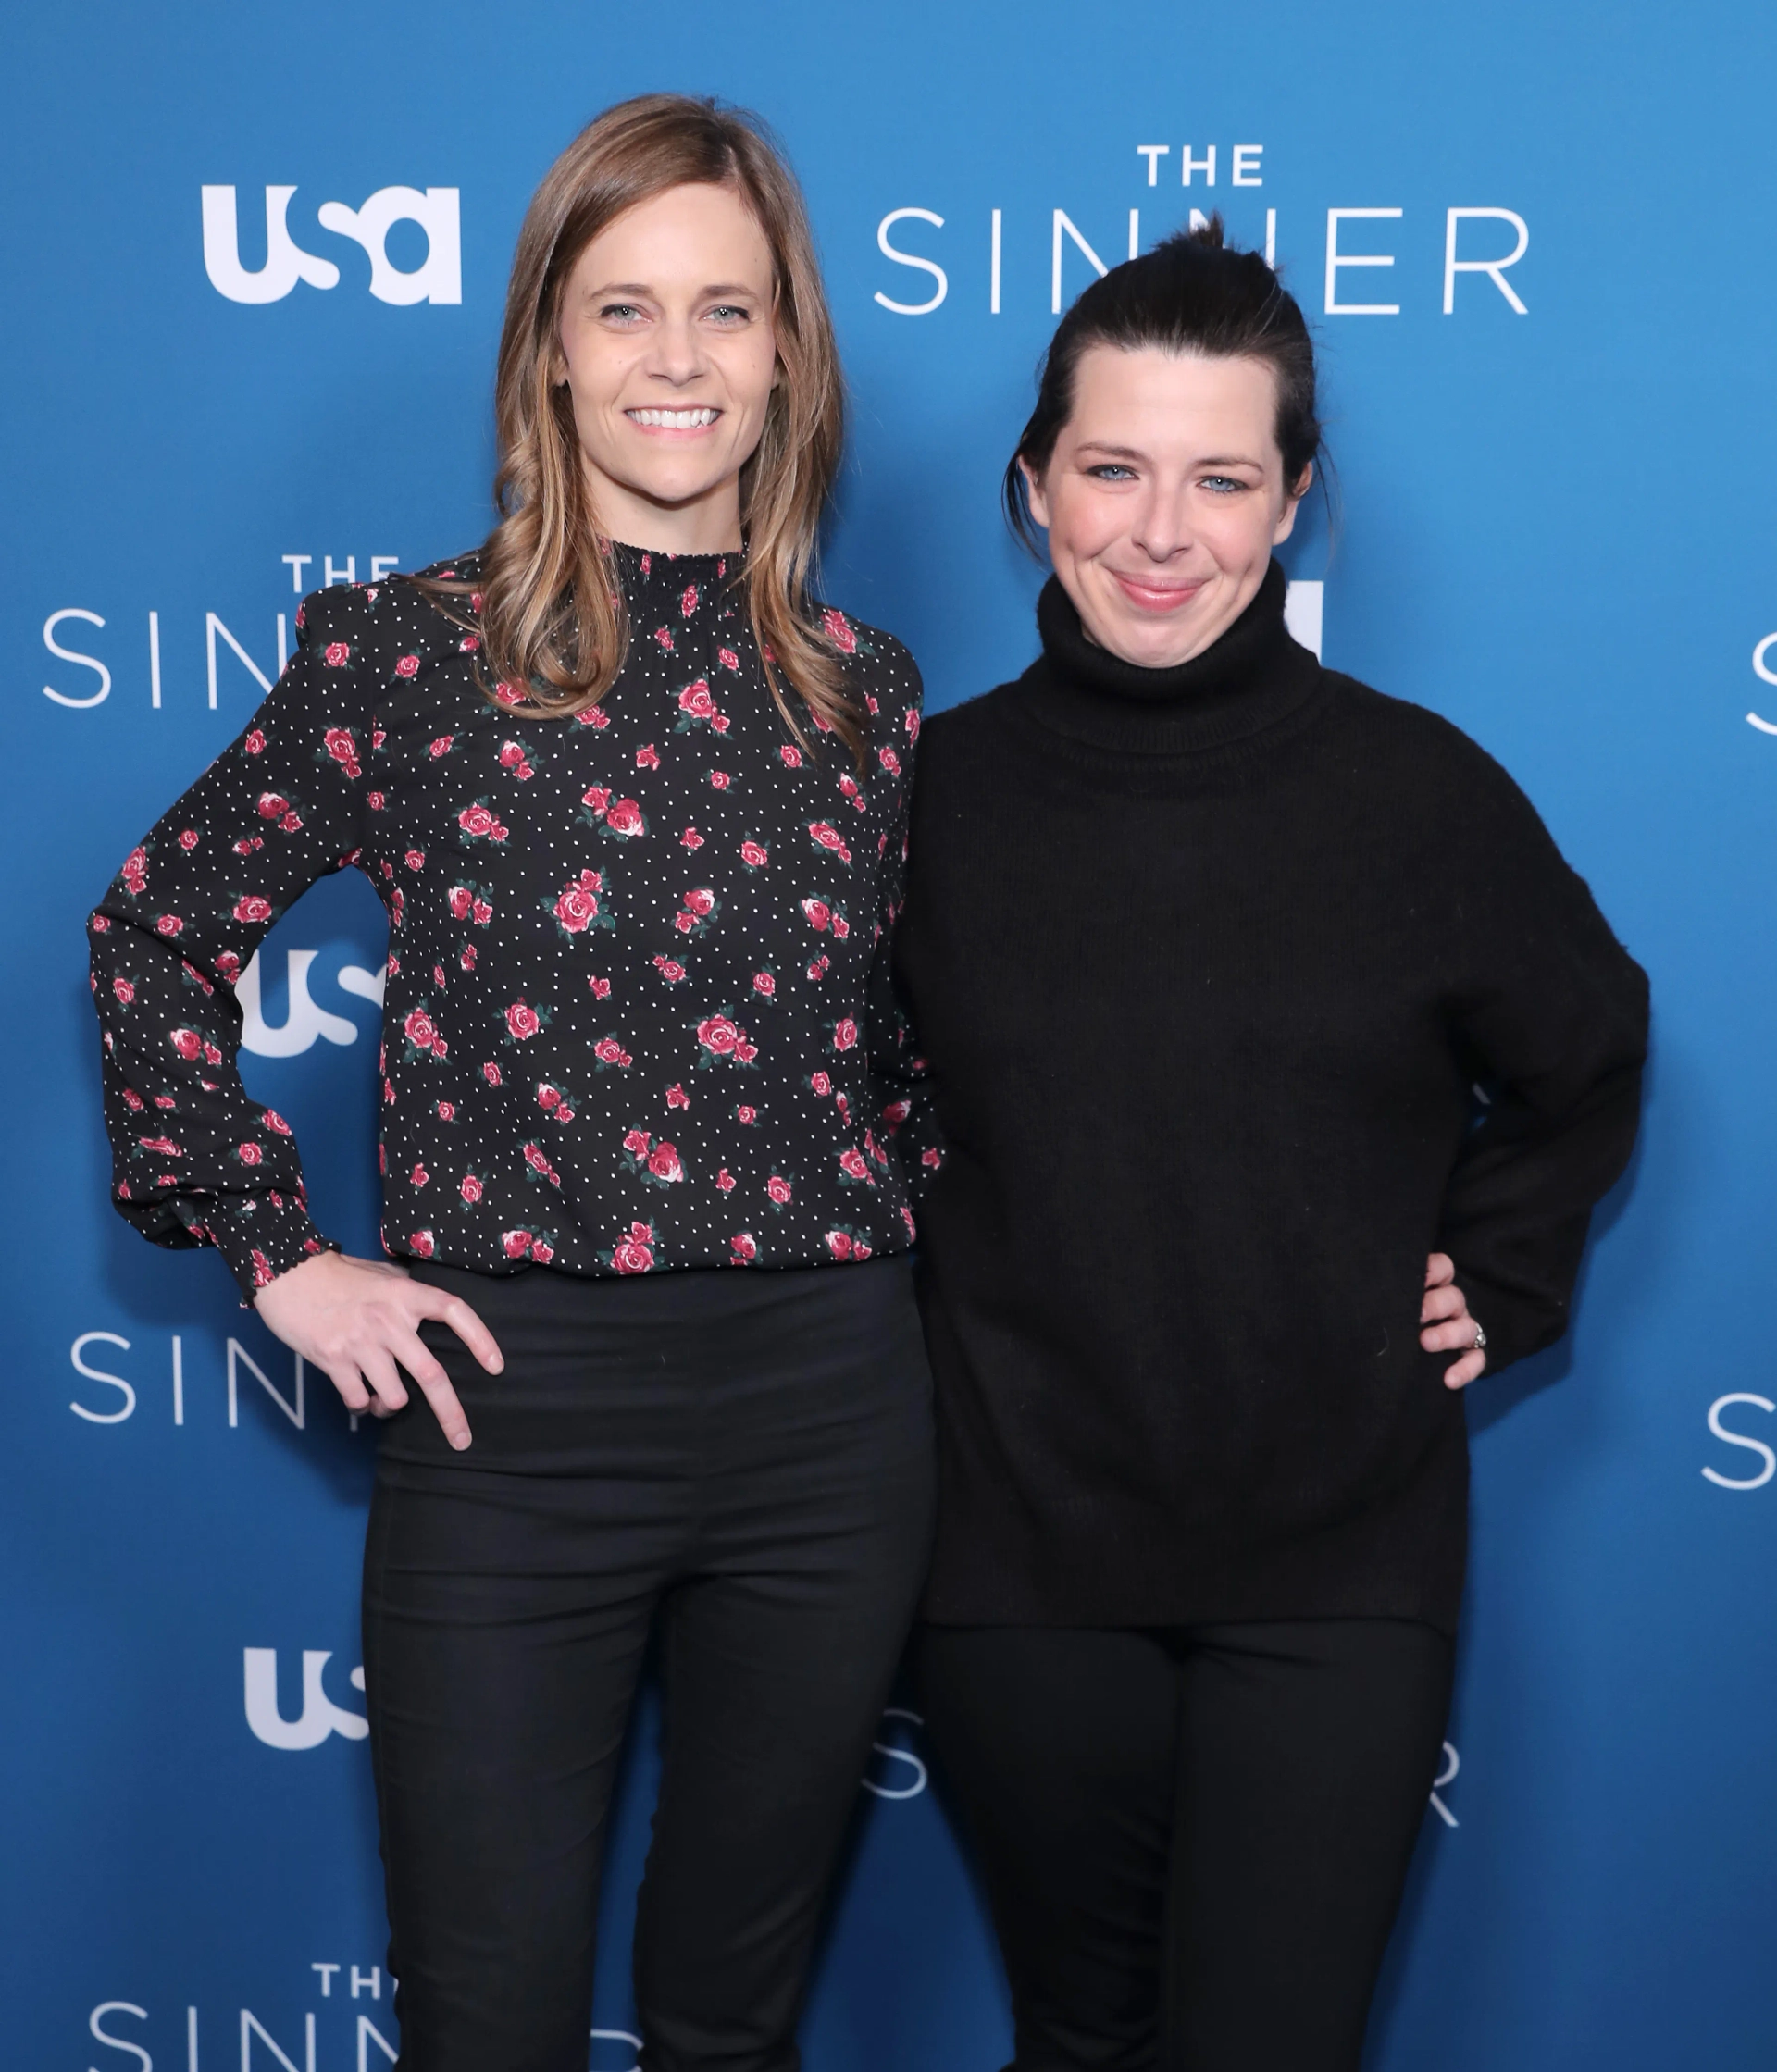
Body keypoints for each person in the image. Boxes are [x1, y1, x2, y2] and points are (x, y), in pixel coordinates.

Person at [87, 95, 938, 2072]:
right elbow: (155, 931)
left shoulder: (863, 691)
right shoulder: (405, 657)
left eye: (725, 311)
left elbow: (920, 1063)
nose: (675, 360)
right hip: (510, 1420)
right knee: (488, 2023)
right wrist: (275, 1248)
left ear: (789, 350)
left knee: (731, 2021)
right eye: (623, 307)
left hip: (833, 1416)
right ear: (547, 345)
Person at [894, 221, 1648, 2072]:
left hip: (1338, 1571)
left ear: (1294, 503)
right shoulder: (921, 797)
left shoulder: (1418, 795)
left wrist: (1515, 1262)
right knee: (1085, 2042)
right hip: (1015, 1567)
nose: (1163, 530)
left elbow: (1592, 1046)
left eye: (1222, 477)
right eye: (1114, 469)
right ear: (1032, 490)